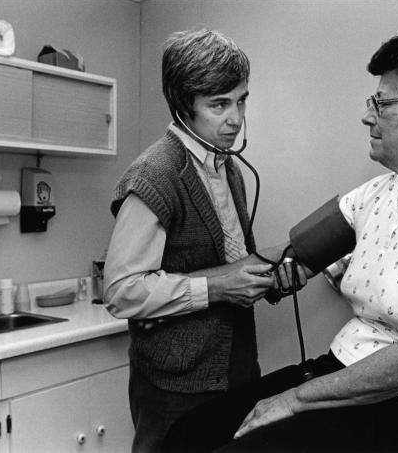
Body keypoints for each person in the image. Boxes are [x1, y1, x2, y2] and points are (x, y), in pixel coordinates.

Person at [162, 28, 398, 453]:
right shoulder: (375, 195)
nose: (368, 115)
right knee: (190, 433)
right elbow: (287, 260)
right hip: (347, 370)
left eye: (382, 103)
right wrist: (174, 291)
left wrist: (292, 400)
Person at [103, 28, 277, 453]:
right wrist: (218, 286)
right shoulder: (154, 175)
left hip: (234, 369)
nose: (235, 118)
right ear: (183, 106)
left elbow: (230, 260)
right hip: (175, 385)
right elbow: (122, 292)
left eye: (240, 101)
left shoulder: (226, 165)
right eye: (219, 105)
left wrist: (278, 269)